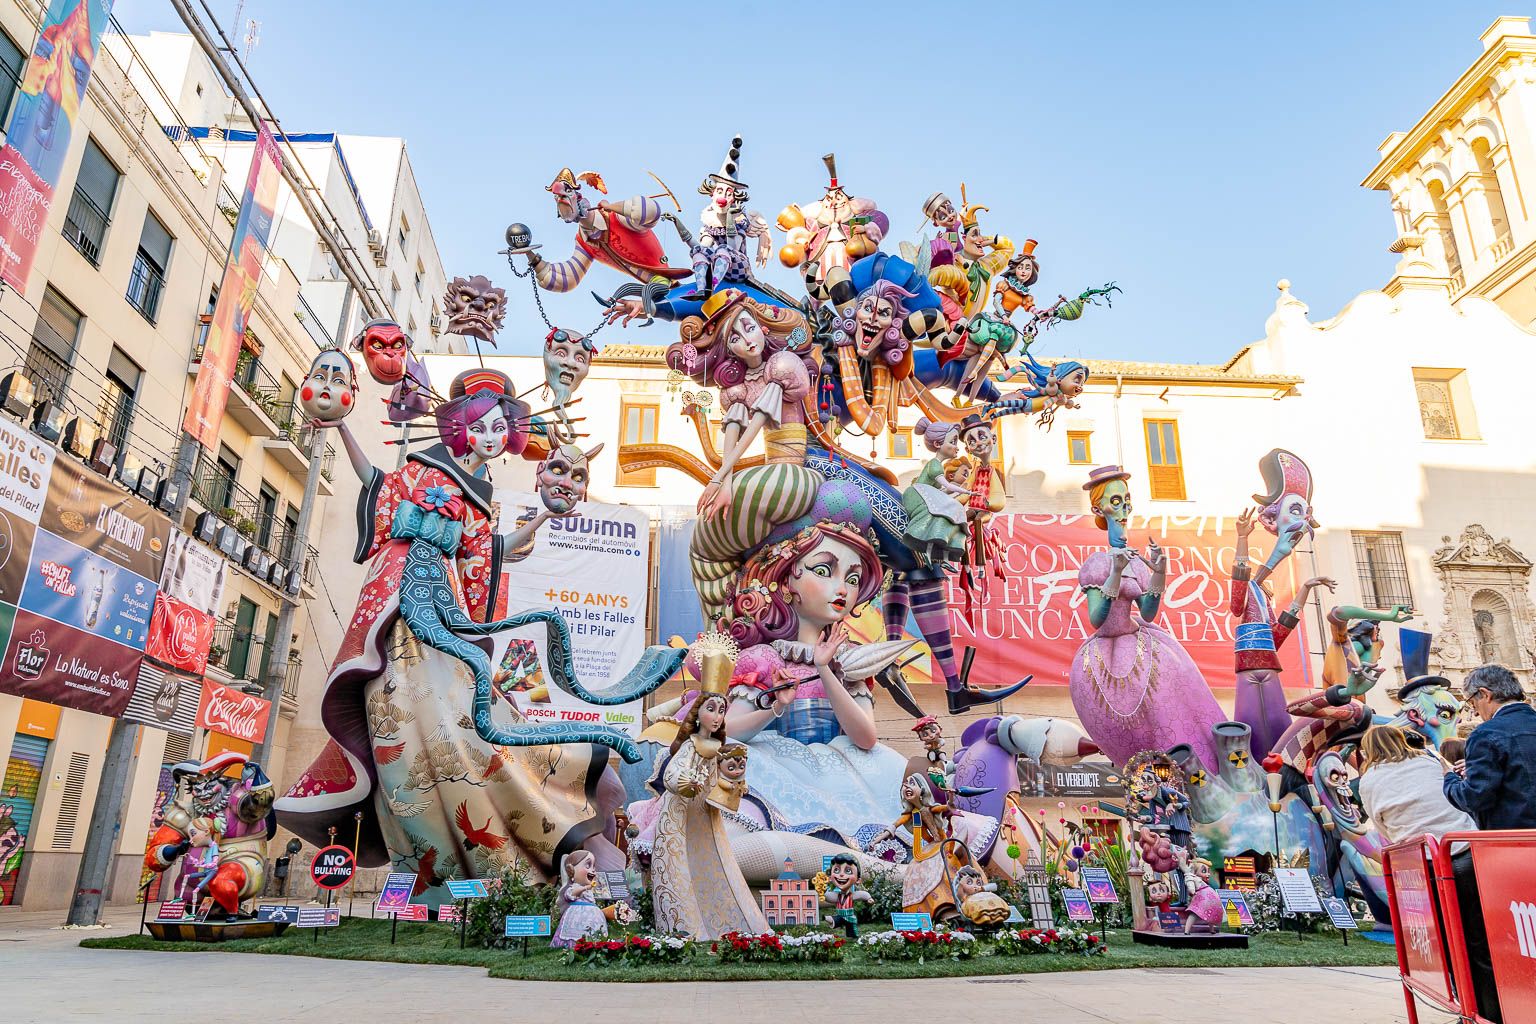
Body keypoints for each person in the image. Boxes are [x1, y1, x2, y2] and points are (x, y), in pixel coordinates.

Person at [1442, 664, 1536, 1024]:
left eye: (1471, 701)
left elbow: (1476, 797)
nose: (1472, 709)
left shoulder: (1488, 734)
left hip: (1508, 853)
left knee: (1492, 939)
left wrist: (1451, 781)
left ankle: (1488, 1012)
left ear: (1485, 694)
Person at [1357, 726, 1474, 845]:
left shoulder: (1367, 780)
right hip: (1465, 838)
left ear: (1369, 750)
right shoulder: (1429, 760)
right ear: (1400, 740)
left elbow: (1380, 826)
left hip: (1422, 852)